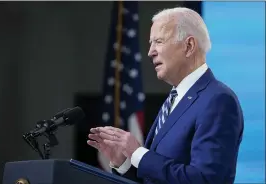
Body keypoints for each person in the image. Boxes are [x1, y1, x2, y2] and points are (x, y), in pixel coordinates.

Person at [87, 7, 244, 184]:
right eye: (150, 43)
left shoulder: (218, 100)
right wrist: (124, 163)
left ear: (189, 46)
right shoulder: (175, 99)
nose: (150, 51)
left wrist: (138, 153)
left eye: (159, 41)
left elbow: (205, 180)